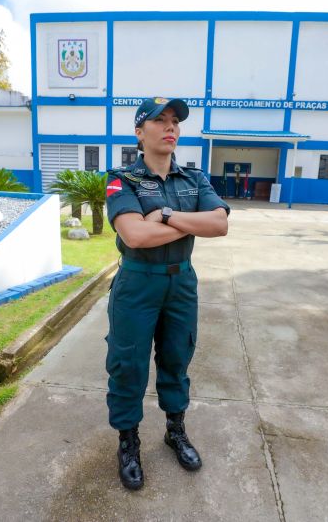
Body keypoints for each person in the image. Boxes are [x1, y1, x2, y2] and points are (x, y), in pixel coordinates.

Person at [105, 97, 230, 490]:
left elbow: (220, 224)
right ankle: (128, 442)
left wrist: (167, 215)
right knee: (128, 363)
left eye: (175, 120)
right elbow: (135, 235)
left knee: (177, 357)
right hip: (137, 283)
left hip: (182, 283)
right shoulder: (121, 179)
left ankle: (175, 430)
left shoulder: (195, 179)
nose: (170, 126)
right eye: (159, 120)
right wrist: (192, 223)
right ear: (139, 132)